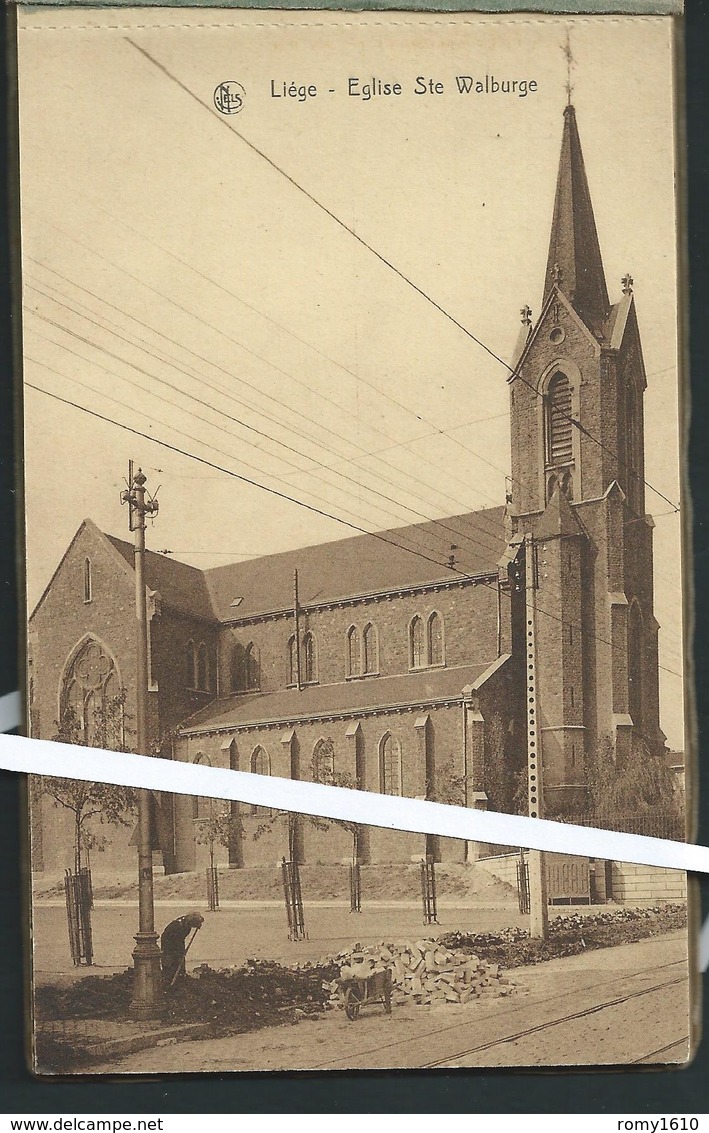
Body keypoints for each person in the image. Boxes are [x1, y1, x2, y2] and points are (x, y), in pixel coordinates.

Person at [160, 911, 204, 987]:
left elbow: (181, 939)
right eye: (194, 924)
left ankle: (180, 981)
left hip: (178, 945)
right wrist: (179, 952)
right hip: (168, 946)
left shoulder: (187, 926)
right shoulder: (177, 925)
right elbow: (171, 939)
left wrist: (182, 951)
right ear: (191, 921)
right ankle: (168, 984)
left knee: (180, 964)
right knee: (169, 965)